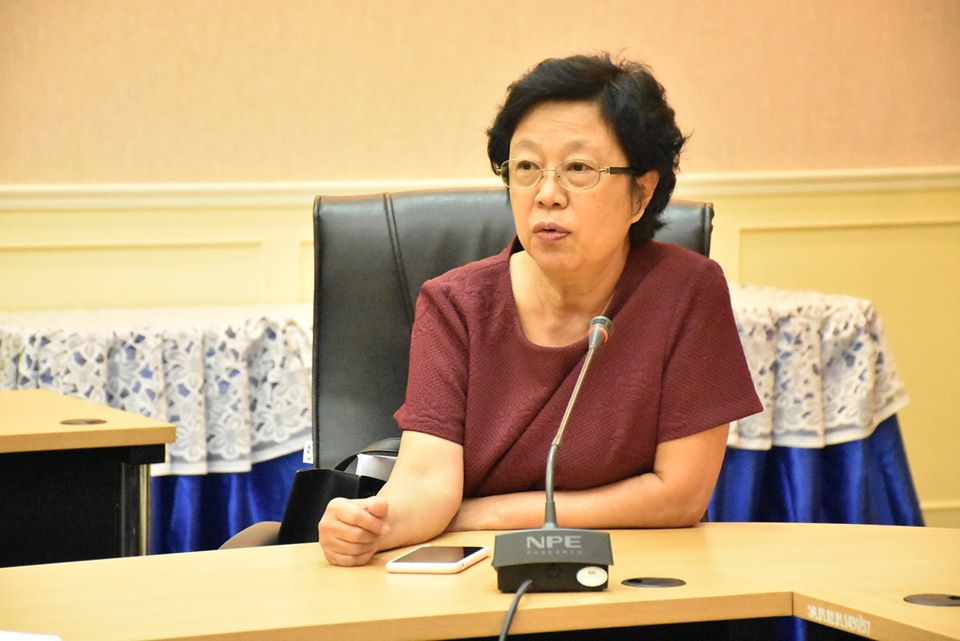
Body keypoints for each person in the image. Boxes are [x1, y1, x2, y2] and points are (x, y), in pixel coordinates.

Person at [318, 53, 762, 567]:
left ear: (640, 194)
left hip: (636, 572)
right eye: (527, 168)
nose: (547, 195)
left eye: (579, 169)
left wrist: (485, 515)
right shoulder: (455, 304)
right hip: (479, 574)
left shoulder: (686, 291)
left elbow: (678, 495)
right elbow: (425, 480)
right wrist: (374, 524)